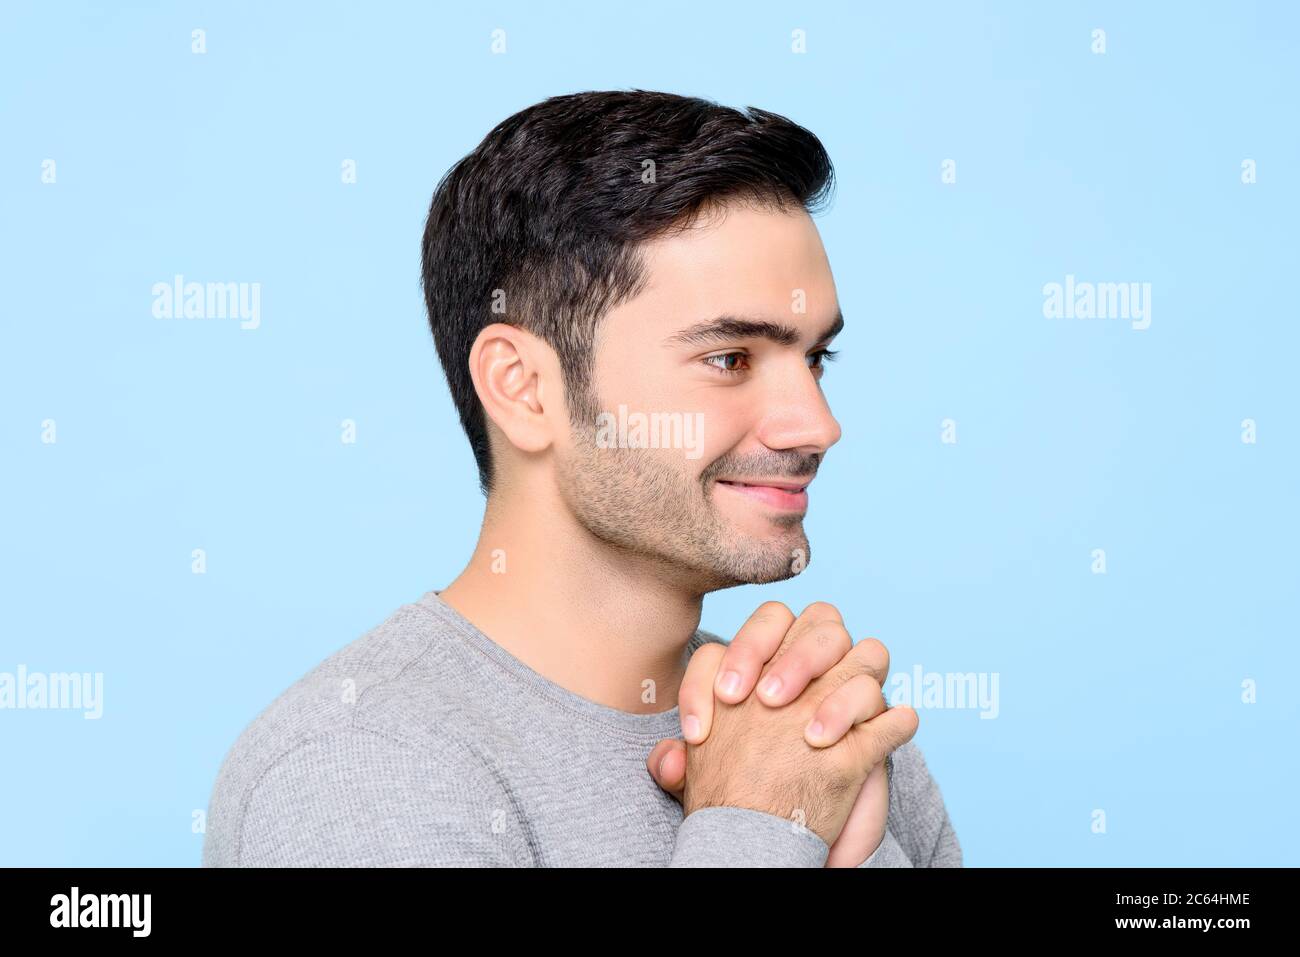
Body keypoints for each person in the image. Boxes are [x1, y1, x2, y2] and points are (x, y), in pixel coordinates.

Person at [202, 89, 961, 867]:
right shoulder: (359, 771)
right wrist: (760, 829)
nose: (816, 425)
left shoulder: (819, 733)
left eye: (814, 359)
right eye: (729, 359)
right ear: (525, 387)